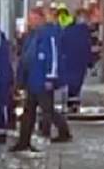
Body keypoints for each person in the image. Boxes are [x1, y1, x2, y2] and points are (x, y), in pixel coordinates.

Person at [13, 8, 72, 152]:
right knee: (29, 112)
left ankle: (64, 132)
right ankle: (24, 141)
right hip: (32, 79)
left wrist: (50, 77)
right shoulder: (32, 36)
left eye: (33, 18)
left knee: (47, 109)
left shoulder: (48, 34)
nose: (30, 21)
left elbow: (53, 57)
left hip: (41, 79)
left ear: (40, 18)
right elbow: (25, 58)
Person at [61, 9, 94, 112]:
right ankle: (74, 103)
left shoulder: (67, 30)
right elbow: (87, 47)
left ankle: (71, 103)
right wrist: (90, 62)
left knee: (71, 83)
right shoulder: (85, 32)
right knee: (77, 83)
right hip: (79, 62)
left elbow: (62, 44)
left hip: (69, 61)